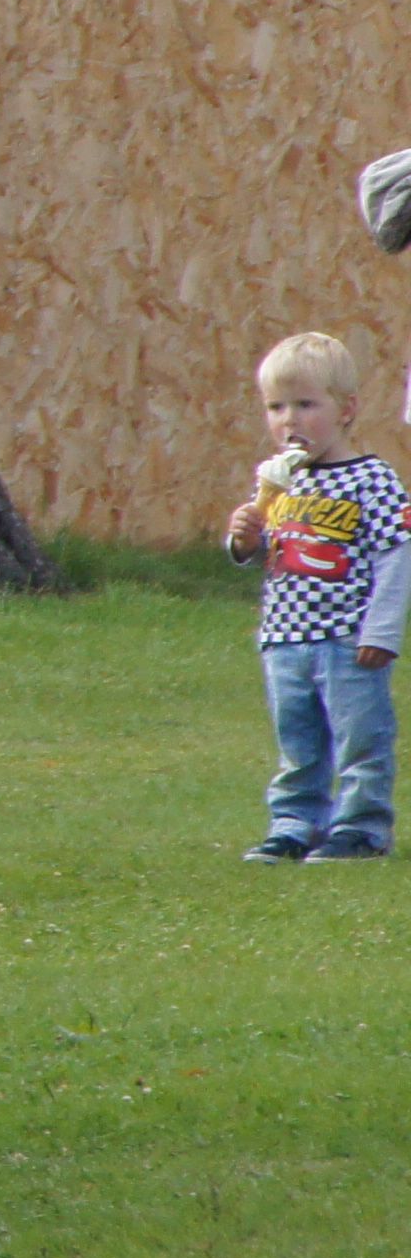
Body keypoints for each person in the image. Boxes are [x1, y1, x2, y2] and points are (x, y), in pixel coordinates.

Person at [219, 332, 411, 863]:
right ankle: (295, 821)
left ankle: (362, 826)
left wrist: (382, 630)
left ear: (347, 409)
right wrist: (244, 539)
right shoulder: (282, 483)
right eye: (276, 407)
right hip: (285, 638)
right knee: (298, 741)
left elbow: (396, 556)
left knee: (359, 738)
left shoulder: (371, 479)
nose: (289, 421)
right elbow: (272, 553)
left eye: (306, 405)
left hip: (347, 638)